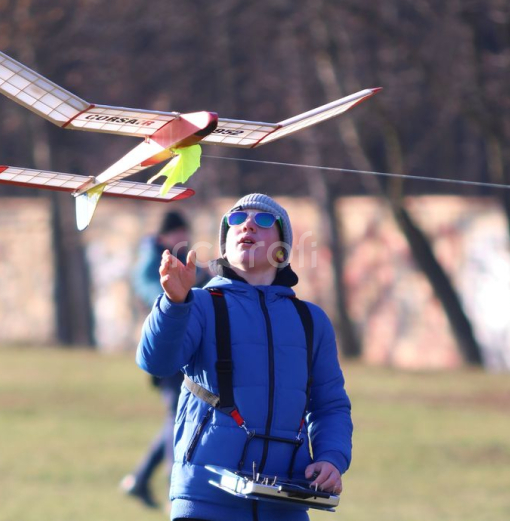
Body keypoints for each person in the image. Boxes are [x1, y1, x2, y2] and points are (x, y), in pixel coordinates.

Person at [137, 194, 352, 521]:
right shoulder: (199, 304)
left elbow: (329, 405)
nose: (247, 224)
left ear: (282, 249)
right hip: (205, 500)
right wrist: (173, 303)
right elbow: (155, 361)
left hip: (286, 502)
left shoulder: (312, 320)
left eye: (264, 220)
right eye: (236, 220)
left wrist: (331, 458)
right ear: (225, 247)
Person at [121, 210, 204, 508]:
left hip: (190, 352)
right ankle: (174, 486)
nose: (184, 237)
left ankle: (139, 479)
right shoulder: (150, 263)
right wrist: (175, 294)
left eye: (186, 231)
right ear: (162, 237)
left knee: (179, 415)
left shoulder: (186, 261)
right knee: (176, 416)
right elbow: (151, 291)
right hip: (166, 353)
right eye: (177, 232)